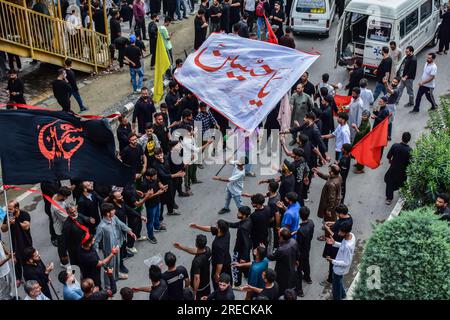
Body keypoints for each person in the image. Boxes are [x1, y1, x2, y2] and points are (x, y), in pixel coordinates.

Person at [94, 203, 136, 286]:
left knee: (117, 262)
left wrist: (130, 232)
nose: (114, 211)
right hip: (109, 251)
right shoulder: (101, 226)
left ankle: (117, 275)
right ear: (107, 213)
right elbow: (96, 241)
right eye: (112, 210)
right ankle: (108, 285)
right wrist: (95, 256)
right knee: (109, 267)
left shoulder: (114, 218)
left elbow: (121, 224)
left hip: (117, 246)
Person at [190, 220, 231, 290]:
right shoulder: (226, 232)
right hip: (227, 259)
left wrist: (217, 274)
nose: (215, 226)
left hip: (221, 266)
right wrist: (197, 226)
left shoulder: (218, 245)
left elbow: (220, 263)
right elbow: (210, 228)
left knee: (218, 285)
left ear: (219, 230)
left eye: (217, 226)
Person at [1, 200, 32, 286]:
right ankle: (18, 278)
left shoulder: (24, 214)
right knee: (16, 260)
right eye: (7, 208)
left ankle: (29, 276)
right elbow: (3, 229)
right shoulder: (8, 215)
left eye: (10, 209)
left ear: (17, 208)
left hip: (25, 240)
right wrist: (7, 223)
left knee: (27, 258)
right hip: (14, 241)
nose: (8, 210)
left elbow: (26, 226)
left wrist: (16, 222)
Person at [321, 204, 353, 288]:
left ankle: (330, 280)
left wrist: (327, 228)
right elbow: (339, 222)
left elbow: (336, 236)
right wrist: (332, 223)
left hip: (335, 245)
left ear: (342, 214)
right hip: (334, 243)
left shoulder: (344, 226)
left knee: (332, 262)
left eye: (337, 214)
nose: (337, 215)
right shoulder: (348, 217)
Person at [173, 234, 212, 300]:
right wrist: (181, 247)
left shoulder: (196, 262)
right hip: (207, 284)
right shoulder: (208, 250)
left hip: (199, 289)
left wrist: (194, 292)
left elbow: (197, 278)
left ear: (196, 244)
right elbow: (196, 251)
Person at [325, 222, 356, 300]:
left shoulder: (348, 246)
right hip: (339, 268)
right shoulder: (351, 236)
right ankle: (343, 294)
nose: (338, 233)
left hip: (339, 269)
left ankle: (338, 297)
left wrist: (332, 261)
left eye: (341, 232)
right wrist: (334, 243)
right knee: (339, 282)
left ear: (346, 233)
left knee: (336, 287)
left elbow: (346, 262)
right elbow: (342, 246)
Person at [313, 164, 342, 241]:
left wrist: (329, 209)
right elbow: (327, 177)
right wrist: (318, 172)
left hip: (331, 206)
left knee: (328, 220)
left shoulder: (331, 184)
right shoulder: (338, 176)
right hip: (336, 204)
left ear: (332, 172)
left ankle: (327, 236)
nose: (328, 170)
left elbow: (331, 199)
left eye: (330, 170)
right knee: (332, 218)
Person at [267, 228, 298, 297]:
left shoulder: (282, 249)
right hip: (291, 268)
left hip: (282, 273)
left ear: (281, 237)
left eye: (279, 235)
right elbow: (297, 254)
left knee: (280, 288)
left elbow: (271, 256)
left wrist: (267, 249)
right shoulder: (294, 241)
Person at [226, 206, 253, 286]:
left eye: (239, 213)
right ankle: (247, 275)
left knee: (236, 267)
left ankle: (237, 283)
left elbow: (246, 243)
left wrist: (243, 258)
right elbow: (236, 224)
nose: (237, 214)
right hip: (245, 251)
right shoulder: (247, 220)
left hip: (240, 250)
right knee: (246, 265)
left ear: (244, 215)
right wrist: (226, 223)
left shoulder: (243, 228)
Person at [139, 169, 168, 243]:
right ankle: (150, 236)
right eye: (154, 176)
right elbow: (146, 197)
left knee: (157, 216)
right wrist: (157, 193)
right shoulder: (144, 184)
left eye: (156, 176)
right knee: (150, 221)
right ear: (148, 177)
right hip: (150, 205)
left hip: (157, 201)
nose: (156, 177)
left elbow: (158, 181)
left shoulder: (155, 178)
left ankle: (157, 226)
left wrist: (161, 186)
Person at [154, 147, 185, 216]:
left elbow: (171, 166)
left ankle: (170, 211)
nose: (160, 157)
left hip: (169, 181)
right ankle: (160, 218)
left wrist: (179, 171)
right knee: (162, 201)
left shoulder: (165, 158)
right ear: (155, 156)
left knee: (171, 196)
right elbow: (163, 175)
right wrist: (176, 175)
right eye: (158, 156)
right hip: (162, 183)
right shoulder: (156, 165)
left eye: (161, 154)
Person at [61, 202, 93, 267]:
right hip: (76, 249)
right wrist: (64, 254)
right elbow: (64, 240)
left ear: (76, 207)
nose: (74, 213)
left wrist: (89, 220)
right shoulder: (67, 226)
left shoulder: (78, 215)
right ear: (68, 213)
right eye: (72, 212)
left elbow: (84, 218)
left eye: (75, 211)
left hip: (85, 244)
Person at [384, 132, 412, 205]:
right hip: (403, 172)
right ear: (409, 140)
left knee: (389, 183)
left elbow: (388, 156)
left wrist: (391, 161)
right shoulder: (410, 150)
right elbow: (411, 162)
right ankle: (403, 195)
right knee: (402, 183)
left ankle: (389, 199)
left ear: (401, 137)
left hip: (393, 169)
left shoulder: (395, 146)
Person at [50, 186, 72, 268]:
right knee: (62, 247)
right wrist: (73, 212)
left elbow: (65, 205)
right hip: (60, 229)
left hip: (62, 226)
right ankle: (64, 262)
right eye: (65, 197)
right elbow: (67, 218)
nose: (66, 198)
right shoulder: (56, 208)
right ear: (60, 195)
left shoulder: (56, 196)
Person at [296, 206, 314, 286]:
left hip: (301, 250)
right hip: (307, 246)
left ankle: (299, 289)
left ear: (300, 215)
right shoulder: (311, 223)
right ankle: (307, 277)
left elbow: (298, 244)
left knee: (298, 268)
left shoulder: (301, 230)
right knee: (306, 262)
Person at [352, 110, 372, 174]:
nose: (363, 117)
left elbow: (361, 133)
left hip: (363, 141)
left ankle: (360, 169)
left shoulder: (367, 125)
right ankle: (358, 164)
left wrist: (355, 128)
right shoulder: (363, 121)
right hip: (359, 140)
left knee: (360, 154)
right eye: (362, 115)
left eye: (365, 116)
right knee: (357, 153)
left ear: (368, 117)